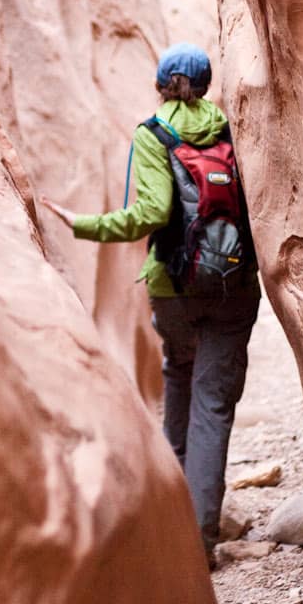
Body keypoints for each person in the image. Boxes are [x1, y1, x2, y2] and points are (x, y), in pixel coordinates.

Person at [42, 43, 261, 562]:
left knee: (178, 380)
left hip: (174, 288)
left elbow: (151, 212)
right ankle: (200, 537)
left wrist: (86, 225)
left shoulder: (152, 134)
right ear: (206, 84)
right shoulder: (230, 130)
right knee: (213, 406)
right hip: (234, 285)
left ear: (161, 84)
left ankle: (175, 526)